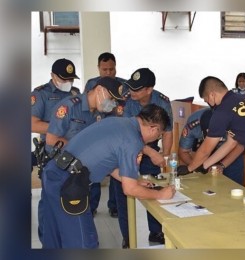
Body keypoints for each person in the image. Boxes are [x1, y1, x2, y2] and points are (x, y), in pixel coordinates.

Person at [38, 104, 175, 248]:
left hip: (54, 172)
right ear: (154, 129)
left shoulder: (117, 122)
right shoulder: (133, 140)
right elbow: (129, 190)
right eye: (159, 135)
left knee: (54, 238)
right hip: (69, 184)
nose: (156, 139)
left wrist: (132, 179)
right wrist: (161, 195)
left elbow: (106, 163)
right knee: (84, 244)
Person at [45, 77, 124, 217]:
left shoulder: (103, 114)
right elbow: (52, 139)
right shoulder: (69, 107)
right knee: (52, 217)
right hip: (60, 169)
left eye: (115, 101)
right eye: (111, 98)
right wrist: (84, 151)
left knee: (79, 217)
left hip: (82, 174)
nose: (112, 104)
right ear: (99, 90)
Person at [122, 68, 174, 246]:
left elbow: (167, 132)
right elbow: (128, 135)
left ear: (149, 90)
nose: (132, 92)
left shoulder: (162, 102)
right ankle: (127, 235)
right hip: (125, 147)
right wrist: (151, 153)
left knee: (155, 185)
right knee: (124, 191)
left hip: (150, 144)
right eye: (131, 87)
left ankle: (156, 232)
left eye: (137, 89)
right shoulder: (128, 102)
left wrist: (164, 159)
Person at [31, 58, 80, 242]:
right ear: (52, 76)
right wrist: (58, 129)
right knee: (50, 200)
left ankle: (68, 238)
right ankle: (47, 240)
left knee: (72, 196)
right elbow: (32, 124)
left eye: (71, 79)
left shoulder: (75, 93)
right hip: (52, 153)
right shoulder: (40, 94)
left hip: (74, 151)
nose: (68, 83)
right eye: (64, 79)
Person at [83, 52, 127, 220]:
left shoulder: (123, 85)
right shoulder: (92, 84)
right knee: (94, 172)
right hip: (97, 134)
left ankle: (114, 206)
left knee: (116, 172)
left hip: (116, 134)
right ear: (98, 68)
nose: (108, 72)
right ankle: (92, 206)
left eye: (111, 69)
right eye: (105, 69)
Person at [178, 108, 245, 185]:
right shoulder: (193, 125)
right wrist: (198, 167)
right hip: (205, 154)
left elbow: (240, 147)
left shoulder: (232, 122)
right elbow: (183, 152)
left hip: (231, 154)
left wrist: (222, 165)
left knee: (232, 187)